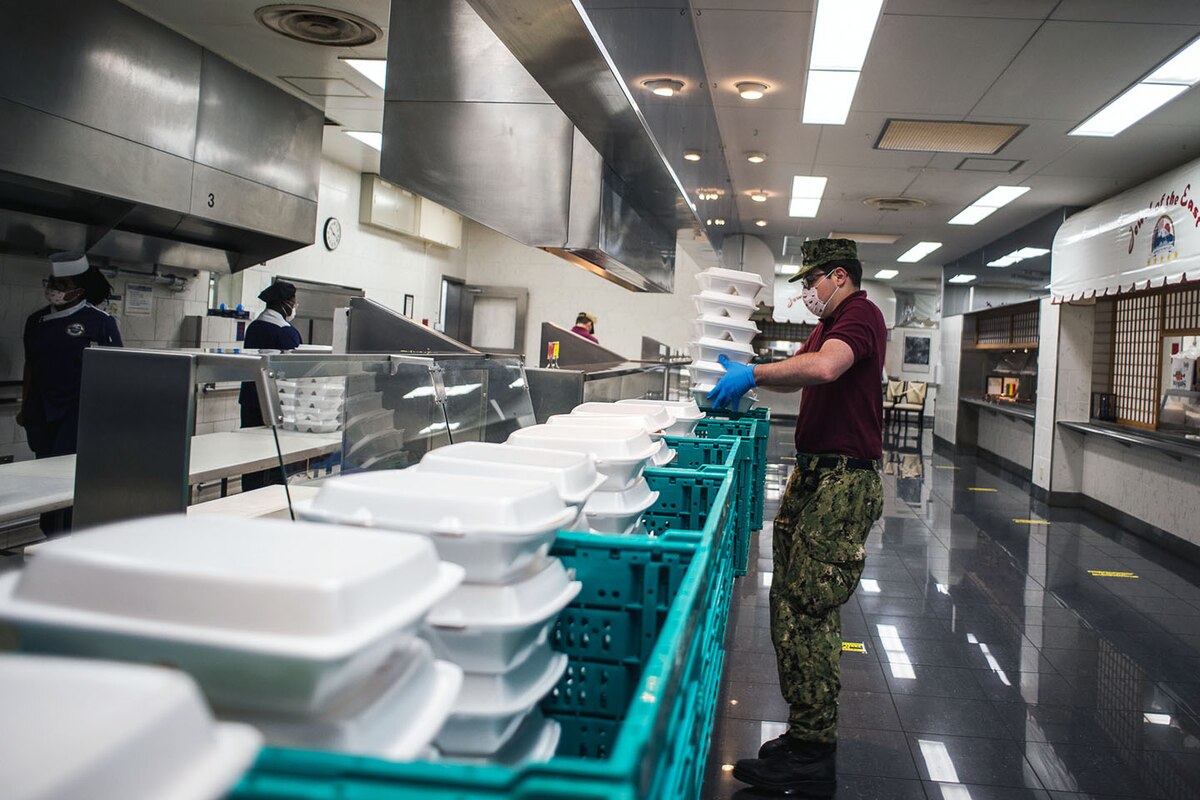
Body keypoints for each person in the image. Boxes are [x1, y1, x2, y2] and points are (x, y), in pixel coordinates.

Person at [708, 238, 886, 796]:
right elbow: (811, 366)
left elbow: (827, 368)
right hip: (815, 476)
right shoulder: (830, 320)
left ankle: (813, 752)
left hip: (842, 482)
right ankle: (805, 731)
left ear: (839, 275)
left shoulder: (860, 315)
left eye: (813, 282)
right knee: (788, 601)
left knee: (808, 608)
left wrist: (754, 374)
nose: (808, 292)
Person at [18, 252, 122, 533]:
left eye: (63, 285)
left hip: (78, 413)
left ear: (79, 290)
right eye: (53, 282)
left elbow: (115, 372)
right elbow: (31, 364)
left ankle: (71, 536)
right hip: (41, 410)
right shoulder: (36, 321)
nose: (55, 290)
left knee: (69, 477)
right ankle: (51, 534)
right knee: (45, 477)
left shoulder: (99, 322)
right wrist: (25, 405)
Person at [238, 280, 302, 491]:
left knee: (250, 455)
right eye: (293, 301)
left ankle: (248, 493)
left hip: (250, 399)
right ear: (285, 303)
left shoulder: (254, 327)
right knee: (273, 456)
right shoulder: (285, 332)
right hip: (275, 403)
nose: (294, 306)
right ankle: (270, 495)